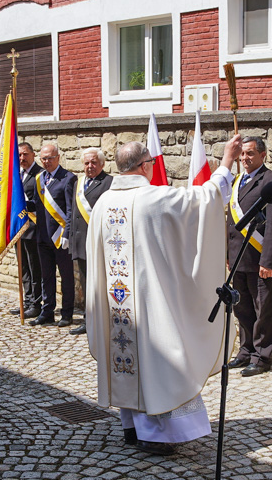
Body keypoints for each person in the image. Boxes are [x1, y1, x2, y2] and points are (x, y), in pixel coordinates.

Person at [86, 136, 242, 456]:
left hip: (117, 304)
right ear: (145, 166)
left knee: (128, 356)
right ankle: (158, 435)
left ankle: (131, 425)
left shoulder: (103, 203)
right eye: (152, 163)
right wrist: (226, 161)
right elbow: (205, 199)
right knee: (158, 359)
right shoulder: (153, 199)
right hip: (145, 300)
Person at [226, 137, 272, 377]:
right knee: (242, 308)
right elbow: (230, 221)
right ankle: (245, 351)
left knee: (264, 310)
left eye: (250, 154)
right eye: (242, 154)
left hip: (259, 257)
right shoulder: (237, 181)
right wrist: (228, 253)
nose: (244, 159)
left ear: (263, 155)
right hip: (238, 256)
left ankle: (262, 357)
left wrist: (268, 261)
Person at [67, 147, 112, 336]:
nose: (90, 166)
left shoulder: (109, 182)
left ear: (102, 163)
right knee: (85, 282)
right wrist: (68, 235)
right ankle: (88, 319)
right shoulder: (79, 183)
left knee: (101, 282)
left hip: (98, 242)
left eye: (94, 162)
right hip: (80, 241)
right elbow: (73, 212)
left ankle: (104, 319)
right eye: (86, 163)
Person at [31, 142, 76, 327]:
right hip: (43, 237)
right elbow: (36, 205)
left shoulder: (68, 178)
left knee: (66, 278)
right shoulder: (39, 178)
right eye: (43, 159)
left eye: (50, 158)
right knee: (46, 277)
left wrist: (67, 233)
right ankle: (47, 312)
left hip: (60, 237)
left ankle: (67, 314)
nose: (46, 162)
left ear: (58, 157)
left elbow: (70, 209)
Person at [9, 142, 44, 318]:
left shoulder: (39, 174)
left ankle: (36, 304)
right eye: (20, 155)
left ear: (33, 155)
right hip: (19, 229)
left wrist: (23, 206)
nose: (22, 158)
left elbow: (40, 202)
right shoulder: (17, 175)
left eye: (25, 154)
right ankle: (27, 301)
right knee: (23, 269)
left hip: (34, 228)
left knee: (34, 268)